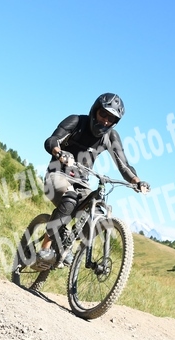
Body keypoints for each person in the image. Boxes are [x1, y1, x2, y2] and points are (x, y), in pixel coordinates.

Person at [34, 93, 150, 268]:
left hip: (82, 182)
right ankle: (45, 249)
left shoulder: (111, 137)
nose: (105, 121)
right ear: (95, 110)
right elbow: (51, 140)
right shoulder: (76, 121)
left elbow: (124, 165)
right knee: (70, 198)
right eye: (103, 114)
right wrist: (60, 153)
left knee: (95, 213)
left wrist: (137, 181)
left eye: (111, 119)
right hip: (57, 175)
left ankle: (66, 246)